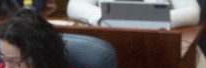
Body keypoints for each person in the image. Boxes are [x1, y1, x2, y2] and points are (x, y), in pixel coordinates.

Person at [68, 0, 200, 28]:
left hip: (159, 42)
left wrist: (157, 20)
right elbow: (74, 6)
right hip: (111, 38)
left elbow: (192, 11)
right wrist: (105, 18)